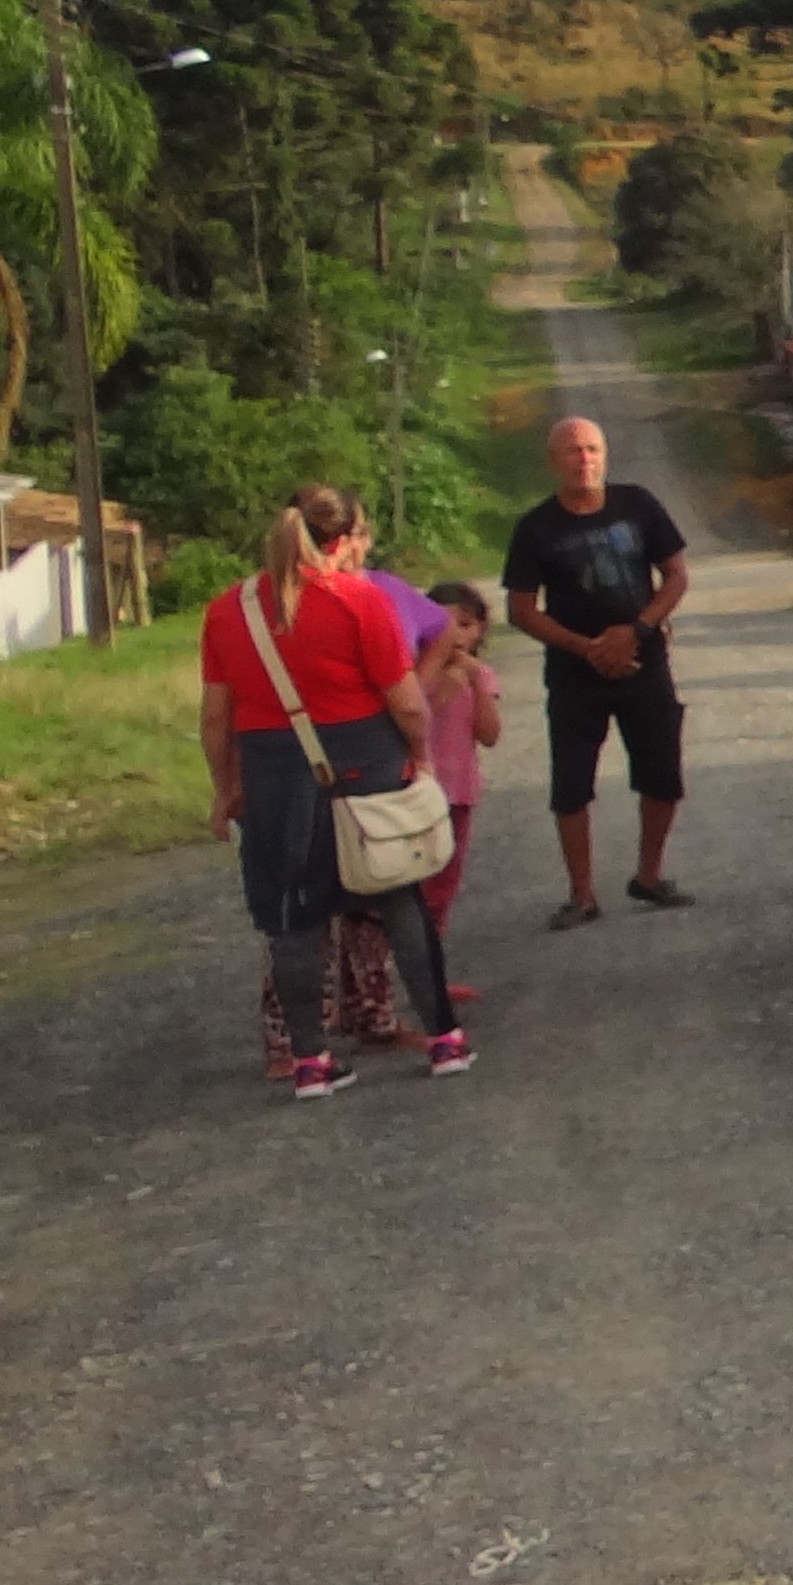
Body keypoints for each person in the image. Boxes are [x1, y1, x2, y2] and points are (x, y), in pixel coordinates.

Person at [201, 486, 468, 1095]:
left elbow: (216, 719)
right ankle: (444, 1041)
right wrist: (421, 758)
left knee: (294, 920)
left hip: (274, 776)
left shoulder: (228, 611)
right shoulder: (358, 599)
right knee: (399, 900)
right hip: (365, 767)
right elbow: (404, 703)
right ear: (344, 541)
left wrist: (225, 789)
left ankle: (311, 1063)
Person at [500, 412, 692, 924]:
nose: (584, 459)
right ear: (553, 461)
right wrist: (585, 647)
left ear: (605, 455)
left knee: (663, 774)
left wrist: (639, 629)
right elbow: (520, 609)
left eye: (592, 449)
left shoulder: (638, 505)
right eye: (572, 451)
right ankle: (581, 894)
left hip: (644, 664)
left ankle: (649, 876)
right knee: (571, 784)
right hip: (573, 674)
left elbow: (675, 575)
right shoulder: (536, 527)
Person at [417, 578, 500, 944]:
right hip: (418, 790)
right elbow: (415, 714)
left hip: (458, 791)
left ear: (480, 630)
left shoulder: (480, 674)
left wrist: (474, 682)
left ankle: (432, 971)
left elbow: (489, 734)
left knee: (444, 885)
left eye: (465, 625)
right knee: (414, 883)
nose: (456, 635)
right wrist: (443, 675)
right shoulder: (414, 673)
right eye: (444, 625)